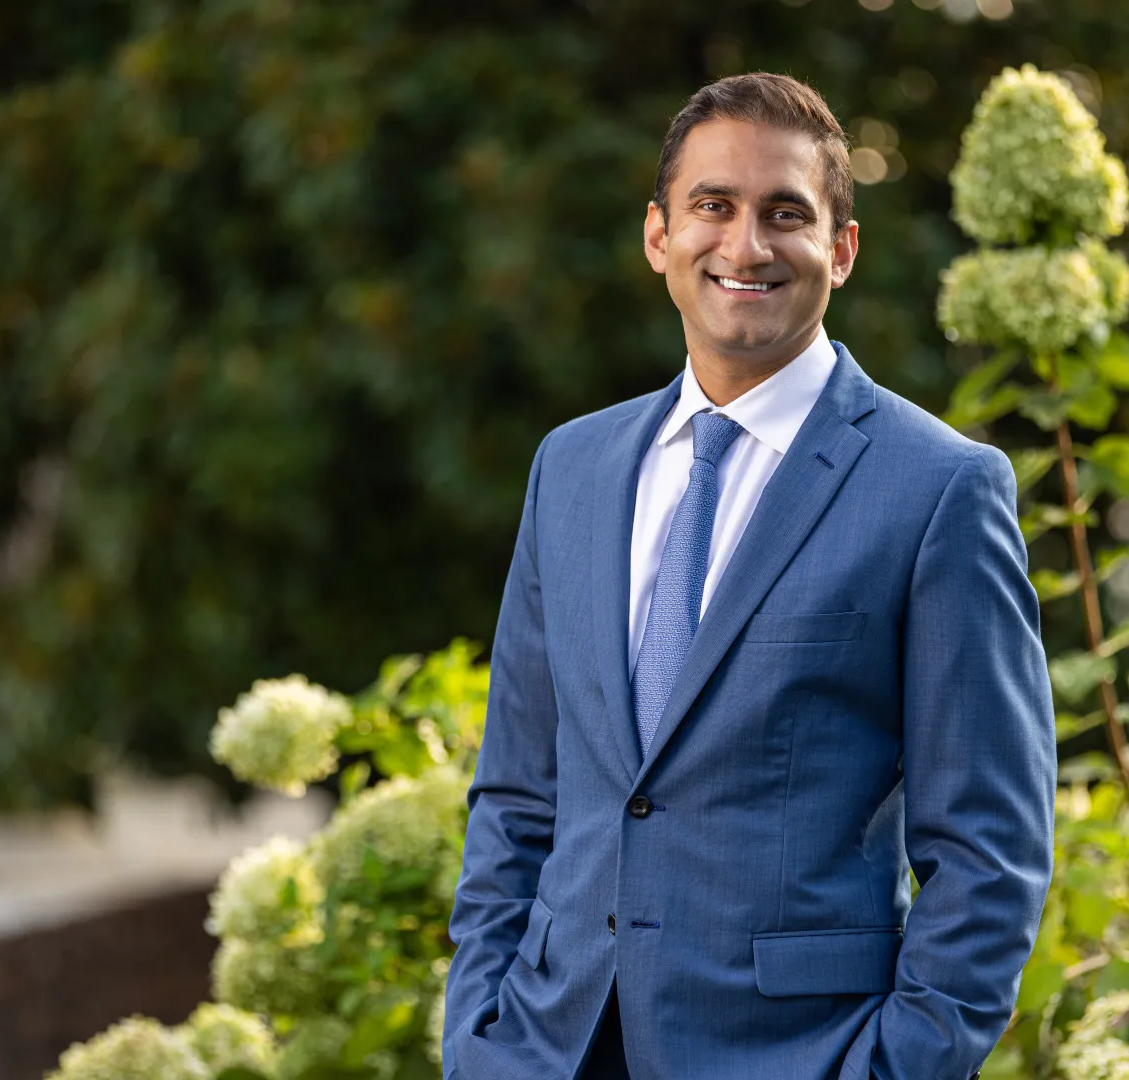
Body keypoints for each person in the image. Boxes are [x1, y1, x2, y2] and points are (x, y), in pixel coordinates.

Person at [441, 72, 1055, 1080]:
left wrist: (896, 1066)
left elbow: (990, 850)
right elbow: (518, 791)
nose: (746, 245)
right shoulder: (574, 469)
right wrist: (480, 1032)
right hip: (547, 1048)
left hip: (796, 1055)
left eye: (786, 214)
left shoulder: (940, 490)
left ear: (841, 249)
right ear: (658, 237)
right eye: (712, 208)